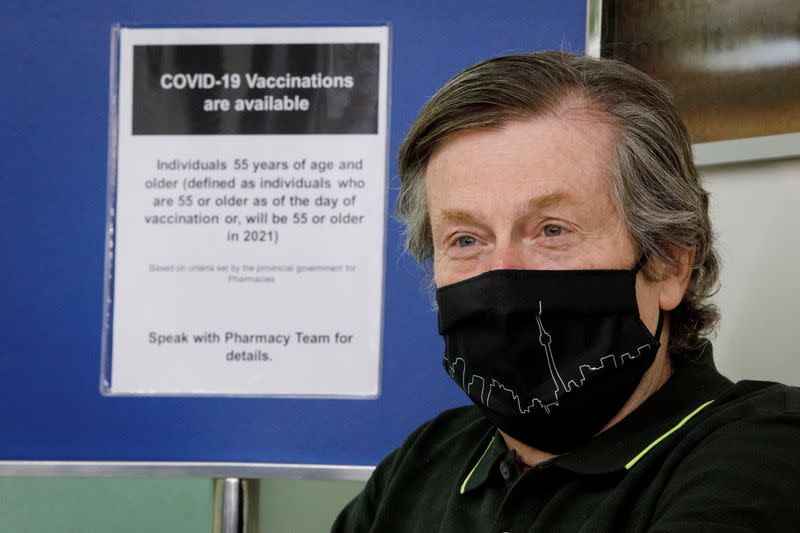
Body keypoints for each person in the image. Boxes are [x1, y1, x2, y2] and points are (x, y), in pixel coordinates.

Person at [332, 51, 800, 532]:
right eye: (466, 240)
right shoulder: (423, 462)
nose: (501, 276)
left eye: (551, 230)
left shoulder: (765, 452)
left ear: (668, 264)